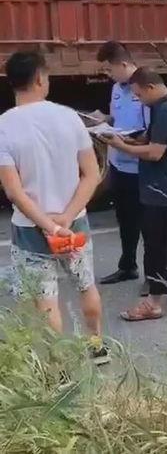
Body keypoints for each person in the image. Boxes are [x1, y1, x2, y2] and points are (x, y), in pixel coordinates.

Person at [0, 51, 108, 363]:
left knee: (46, 302)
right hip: (74, 225)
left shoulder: (4, 126)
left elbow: (14, 191)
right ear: (39, 79)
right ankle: (97, 346)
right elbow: (92, 174)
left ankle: (58, 367)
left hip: (30, 230)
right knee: (85, 285)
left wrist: (49, 226)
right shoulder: (69, 117)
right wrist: (67, 218)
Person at [101, 67, 167, 322]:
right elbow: (152, 139)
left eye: (139, 95)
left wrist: (121, 147)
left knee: (158, 247)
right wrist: (128, 140)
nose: (139, 100)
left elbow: (155, 152)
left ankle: (154, 302)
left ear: (151, 87)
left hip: (160, 191)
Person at [95, 41, 149, 292]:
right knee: (125, 221)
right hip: (119, 166)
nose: (108, 75)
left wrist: (127, 141)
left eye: (109, 70)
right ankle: (127, 266)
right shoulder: (117, 88)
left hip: (141, 169)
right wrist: (103, 120)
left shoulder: (146, 87)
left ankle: (154, 276)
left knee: (148, 226)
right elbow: (117, 118)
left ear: (124, 64)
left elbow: (151, 133)